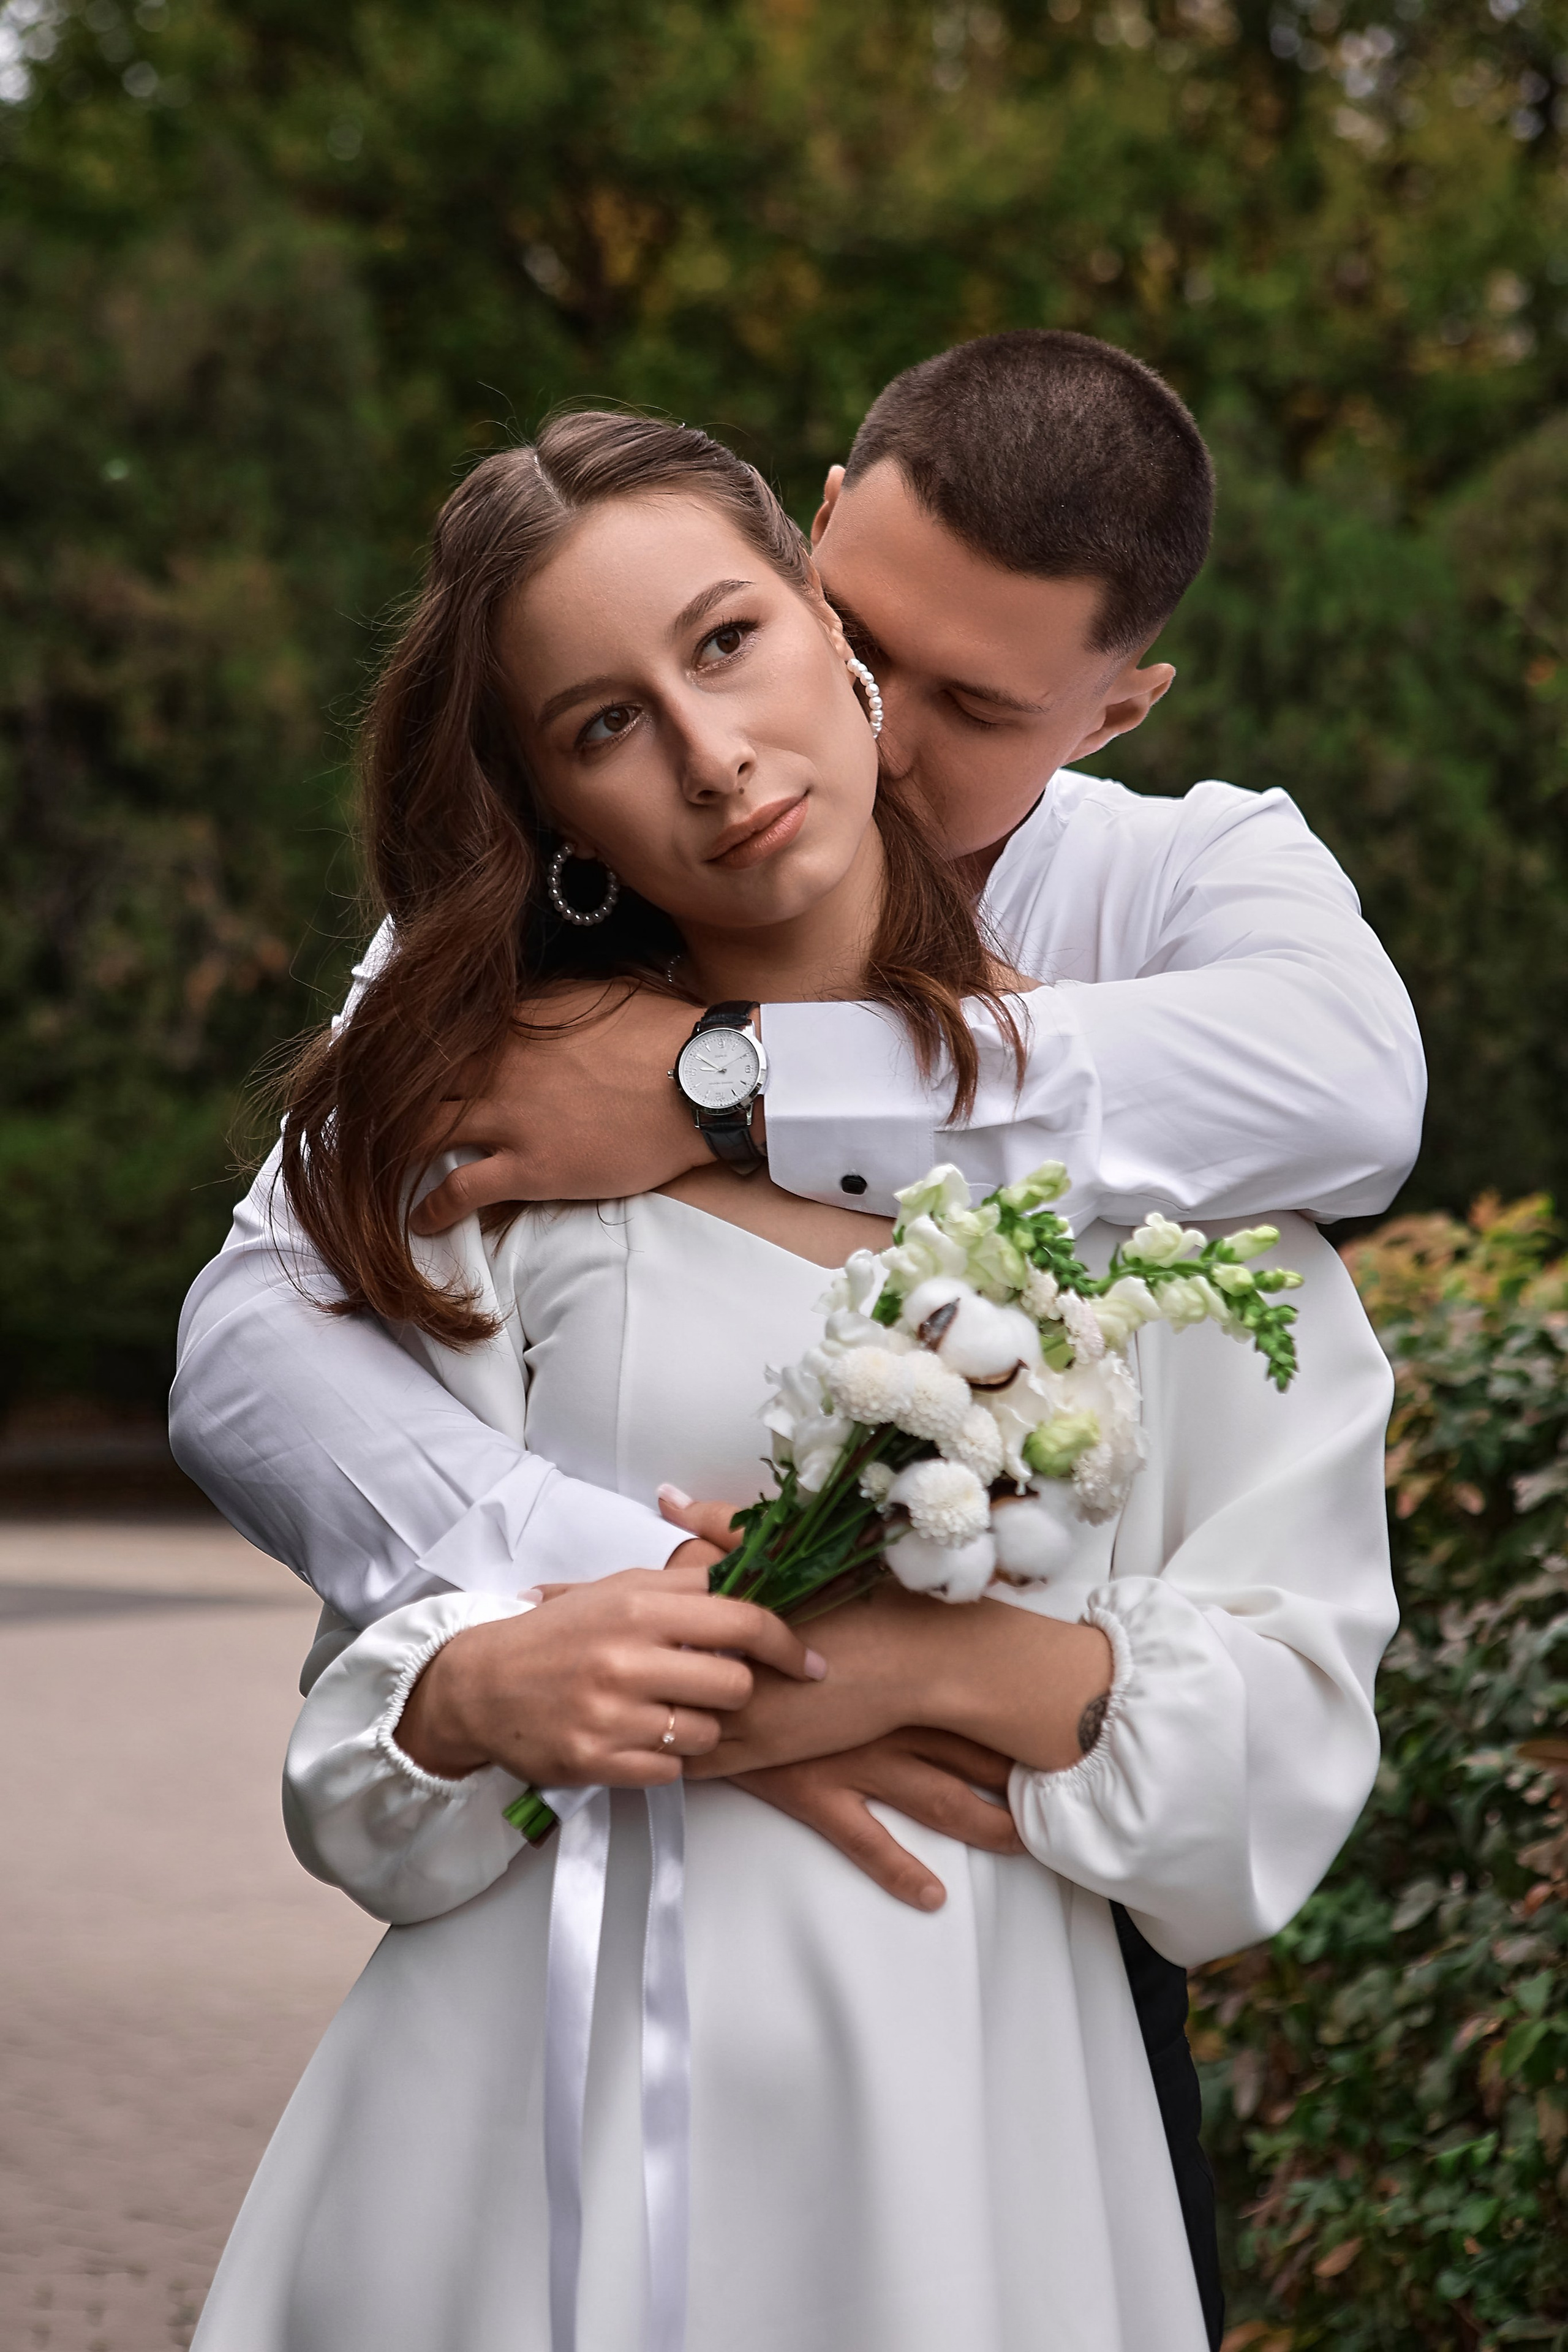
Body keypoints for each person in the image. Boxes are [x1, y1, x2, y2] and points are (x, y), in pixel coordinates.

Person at [188, 410, 1398, 2352]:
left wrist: (861, 1664)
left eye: (729, 646)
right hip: (522, 2116)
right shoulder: (499, 1129)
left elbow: (1271, 1762)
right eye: (601, 724)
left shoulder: (1173, 1160)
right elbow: (333, 1623)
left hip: (972, 2139)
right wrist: (515, 1664)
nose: (717, 754)